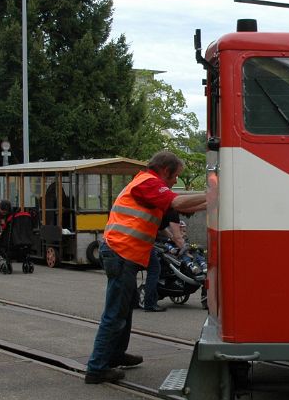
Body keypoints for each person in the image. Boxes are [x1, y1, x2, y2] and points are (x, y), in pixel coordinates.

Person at [86, 151, 207, 384]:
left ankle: (115, 355)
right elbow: (177, 201)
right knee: (114, 314)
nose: (174, 183)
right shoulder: (148, 182)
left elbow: (176, 210)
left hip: (124, 254)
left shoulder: (145, 183)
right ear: (164, 170)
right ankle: (97, 368)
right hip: (121, 253)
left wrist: (212, 200)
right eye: (174, 177)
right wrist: (213, 193)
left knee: (124, 310)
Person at [140, 207, 182, 313]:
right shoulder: (173, 212)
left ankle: (134, 302)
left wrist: (171, 237)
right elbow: (178, 237)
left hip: (135, 240)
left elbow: (162, 228)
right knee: (154, 270)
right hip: (144, 243)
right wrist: (183, 247)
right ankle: (149, 303)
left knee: (130, 272)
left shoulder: (159, 208)